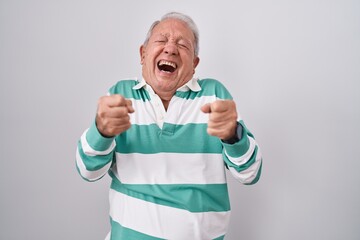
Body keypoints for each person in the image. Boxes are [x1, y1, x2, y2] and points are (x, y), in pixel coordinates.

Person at [76, 12, 262, 240]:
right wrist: (101, 131)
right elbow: (88, 170)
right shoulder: (120, 95)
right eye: (161, 40)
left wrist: (234, 135)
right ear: (143, 54)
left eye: (183, 45)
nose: (171, 49)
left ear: (194, 64)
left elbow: (250, 173)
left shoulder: (214, 96)